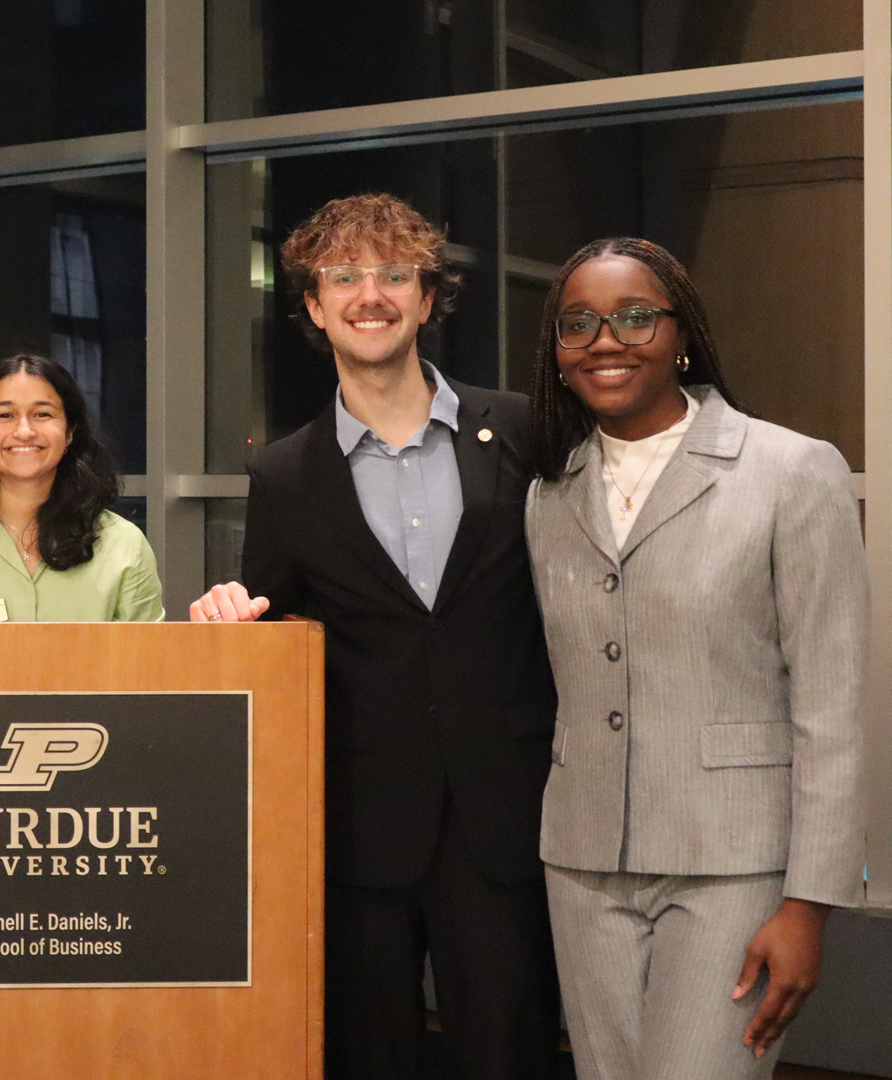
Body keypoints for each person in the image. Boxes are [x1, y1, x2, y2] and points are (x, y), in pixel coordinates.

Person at [192, 193, 561, 1079]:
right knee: (367, 1057)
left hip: (505, 812)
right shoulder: (283, 474)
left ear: (429, 299)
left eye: (395, 274)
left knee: (509, 1054)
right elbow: (275, 623)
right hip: (358, 825)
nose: (372, 293)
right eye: (344, 276)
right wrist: (228, 622)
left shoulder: (519, 430)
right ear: (314, 309)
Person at [525, 237, 865, 1079]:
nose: (607, 340)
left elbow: (834, 704)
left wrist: (809, 906)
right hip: (582, 863)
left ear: (680, 334)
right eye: (580, 324)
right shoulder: (547, 492)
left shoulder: (791, 470)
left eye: (635, 317)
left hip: (733, 867)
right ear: (558, 352)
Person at [0, 354, 163, 623]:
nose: (24, 431)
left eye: (42, 414)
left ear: (70, 431)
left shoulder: (124, 546)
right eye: (5, 415)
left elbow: (147, 662)